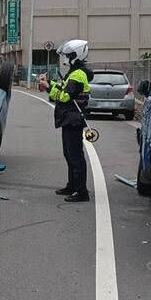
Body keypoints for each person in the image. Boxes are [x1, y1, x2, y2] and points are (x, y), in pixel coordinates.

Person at [48, 39, 92, 203]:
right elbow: (63, 89)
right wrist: (50, 85)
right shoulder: (74, 73)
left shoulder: (78, 74)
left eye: (68, 55)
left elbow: (65, 96)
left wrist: (48, 88)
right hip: (69, 119)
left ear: (76, 55)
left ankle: (81, 191)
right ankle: (72, 185)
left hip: (73, 119)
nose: (66, 59)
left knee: (75, 156)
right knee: (69, 154)